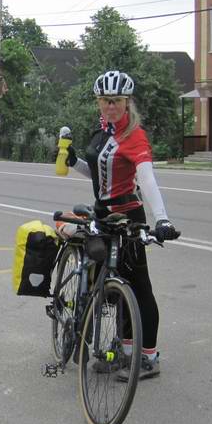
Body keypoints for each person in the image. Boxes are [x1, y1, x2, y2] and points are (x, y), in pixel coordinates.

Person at [63, 70, 180, 380]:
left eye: (116, 101)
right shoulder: (103, 132)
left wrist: (162, 219)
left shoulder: (134, 136)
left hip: (128, 217)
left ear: (127, 103)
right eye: (105, 100)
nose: (110, 106)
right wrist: (74, 162)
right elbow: (101, 176)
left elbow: (146, 178)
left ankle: (147, 358)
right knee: (110, 286)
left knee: (139, 287)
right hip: (102, 216)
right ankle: (122, 351)